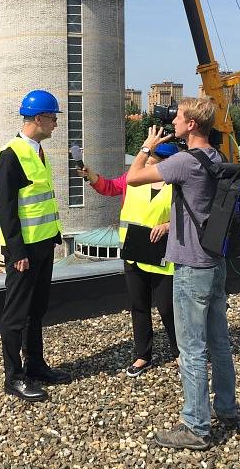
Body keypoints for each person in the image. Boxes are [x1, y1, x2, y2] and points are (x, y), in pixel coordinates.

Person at [126, 97, 237, 450]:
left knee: (191, 348)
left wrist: (148, 146)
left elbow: (133, 178)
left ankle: (195, 427)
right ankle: (226, 408)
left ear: (191, 125)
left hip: (190, 266)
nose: (172, 121)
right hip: (215, 262)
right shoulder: (218, 158)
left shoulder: (184, 163)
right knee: (219, 341)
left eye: (177, 117)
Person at [77, 143, 180, 376]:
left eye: (160, 158)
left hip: (162, 255)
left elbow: (190, 216)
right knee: (139, 306)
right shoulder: (133, 177)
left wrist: (167, 226)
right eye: (154, 156)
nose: (155, 161)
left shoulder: (178, 184)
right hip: (133, 253)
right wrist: (90, 175)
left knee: (168, 308)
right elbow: (110, 187)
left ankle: (180, 353)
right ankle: (143, 355)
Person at [0, 89, 71, 403]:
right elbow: (7, 208)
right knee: (16, 315)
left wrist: (52, 239)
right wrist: (18, 252)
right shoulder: (11, 155)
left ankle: (36, 366)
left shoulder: (40, 152)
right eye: (53, 118)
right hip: (23, 252)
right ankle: (14, 378)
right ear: (39, 118)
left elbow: (41, 204)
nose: (56, 124)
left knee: (36, 311)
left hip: (42, 245)